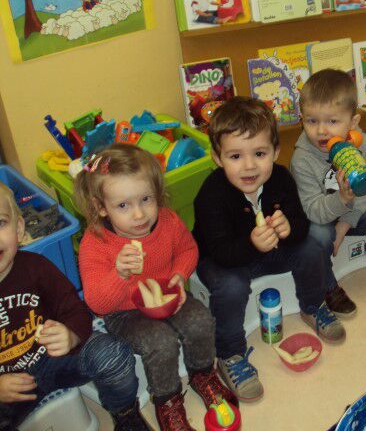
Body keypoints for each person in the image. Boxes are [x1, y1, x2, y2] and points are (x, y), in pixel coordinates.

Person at [194, 97, 345, 402]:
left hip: (270, 251)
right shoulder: (211, 194)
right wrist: (251, 243)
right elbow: (220, 250)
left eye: (260, 154)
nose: (249, 166)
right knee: (231, 287)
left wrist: (290, 228)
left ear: (275, 152)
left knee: (313, 244)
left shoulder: (281, 178)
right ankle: (230, 354)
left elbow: (300, 223)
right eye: (235, 156)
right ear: (217, 157)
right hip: (224, 259)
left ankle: (313, 305)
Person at [75, 144, 235, 431]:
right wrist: (119, 274)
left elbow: (188, 250)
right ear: (101, 208)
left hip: (169, 294)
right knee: (160, 342)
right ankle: (167, 400)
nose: (139, 215)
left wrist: (179, 275)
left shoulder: (168, 220)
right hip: (125, 311)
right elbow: (97, 303)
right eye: (123, 206)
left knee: (200, 320)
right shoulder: (95, 243)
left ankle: (202, 374)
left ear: (157, 194)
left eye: (146, 199)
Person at [0, 182, 149, 431]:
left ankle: (125, 413)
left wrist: (71, 334)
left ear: (19, 229)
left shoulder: (36, 267)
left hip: (53, 359)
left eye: (0, 223)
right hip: (7, 389)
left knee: (113, 353)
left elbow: (74, 308)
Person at [290, 69, 366, 318]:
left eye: (332, 121)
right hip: (319, 216)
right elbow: (313, 210)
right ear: (301, 119)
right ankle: (328, 286)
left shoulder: (362, 143)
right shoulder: (302, 159)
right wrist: (340, 201)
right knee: (316, 238)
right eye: (312, 121)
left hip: (353, 210)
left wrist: (344, 225)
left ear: (353, 122)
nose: (321, 131)